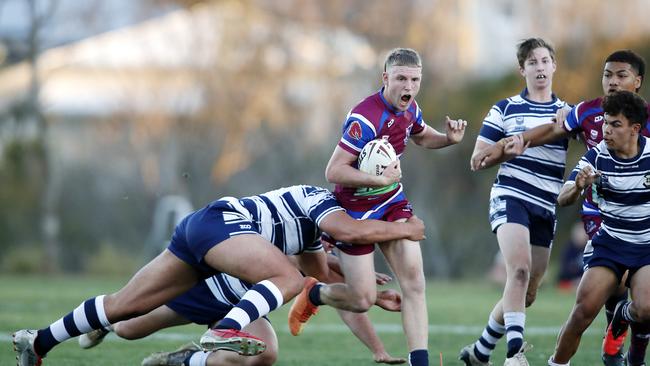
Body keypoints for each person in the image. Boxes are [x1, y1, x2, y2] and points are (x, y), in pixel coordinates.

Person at [12, 185, 425, 366]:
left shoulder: (315, 242)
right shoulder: (323, 202)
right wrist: (404, 228)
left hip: (215, 262)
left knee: (124, 309)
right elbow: (350, 233)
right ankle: (226, 330)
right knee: (129, 327)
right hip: (215, 234)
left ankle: (39, 342)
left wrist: (369, 308)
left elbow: (327, 287)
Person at [286, 47, 466, 366]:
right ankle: (315, 294)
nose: (408, 86)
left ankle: (419, 362)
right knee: (363, 299)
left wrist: (448, 140)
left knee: (414, 279)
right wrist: (379, 180)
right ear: (386, 78)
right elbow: (334, 171)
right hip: (354, 212)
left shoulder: (411, 109)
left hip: (392, 202)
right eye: (400, 79)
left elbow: (423, 136)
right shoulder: (365, 117)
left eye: (414, 80)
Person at [472, 49, 650, 366]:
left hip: (641, 220)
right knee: (601, 295)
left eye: (621, 75)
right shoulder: (586, 113)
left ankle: (618, 344)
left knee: (639, 301)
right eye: (607, 74)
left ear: (637, 81)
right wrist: (510, 142)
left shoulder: (643, 122)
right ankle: (600, 350)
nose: (612, 81)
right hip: (602, 217)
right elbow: (553, 130)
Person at [76, 255, 407, 366]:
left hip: (242, 306)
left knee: (265, 355)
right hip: (206, 289)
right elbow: (312, 269)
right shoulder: (312, 225)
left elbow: (342, 300)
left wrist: (378, 349)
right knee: (128, 330)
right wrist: (362, 287)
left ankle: (184, 360)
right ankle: (107, 317)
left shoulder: (339, 240)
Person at [460, 38, 569, 366]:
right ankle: (515, 353)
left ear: (554, 66)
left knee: (528, 290)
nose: (539, 67)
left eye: (544, 60)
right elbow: (477, 160)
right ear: (522, 69)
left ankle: (480, 351)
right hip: (511, 195)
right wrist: (502, 152)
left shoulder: (566, 113)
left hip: (545, 205)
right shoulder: (505, 109)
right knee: (518, 271)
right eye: (532, 62)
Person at [547, 90, 650, 366]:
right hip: (610, 244)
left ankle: (621, 315)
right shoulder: (596, 157)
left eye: (615, 124)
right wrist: (578, 185)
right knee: (583, 312)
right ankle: (557, 363)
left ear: (635, 129)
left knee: (646, 308)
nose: (606, 130)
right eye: (605, 122)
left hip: (646, 248)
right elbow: (562, 196)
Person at [556, 221, 589, 291]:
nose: (581, 236)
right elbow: (564, 269)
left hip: (584, 280)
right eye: (579, 233)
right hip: (570, 281)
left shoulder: (590, 249)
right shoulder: (568, 249)